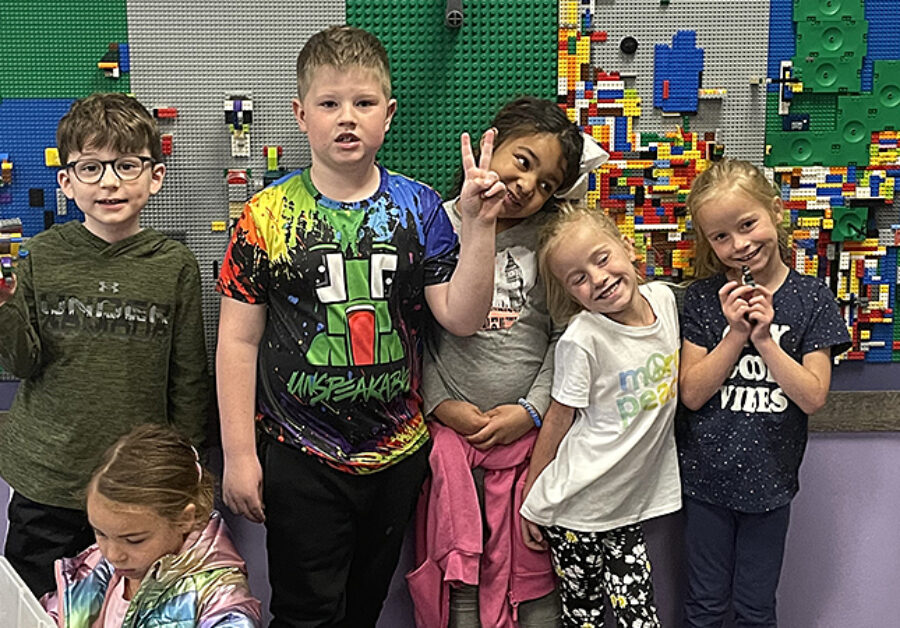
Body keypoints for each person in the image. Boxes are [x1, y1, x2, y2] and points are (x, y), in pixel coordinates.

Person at [215, 25, 503, 627]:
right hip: (300, 453)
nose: (347, 118)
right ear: (300, 115)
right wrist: (241, 456)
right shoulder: (265, 217)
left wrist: (480, 227)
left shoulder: (420, 208)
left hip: (395, 454)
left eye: (364, 103)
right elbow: (238, 341)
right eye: (329, 103)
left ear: (388, 114)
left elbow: (462, 316)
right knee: (305, 612)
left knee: (364, 608)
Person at [0, 92, 209, 597]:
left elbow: (188, 378)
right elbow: (22, 362)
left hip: (137, 489)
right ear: (67, 183)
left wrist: (190, 472)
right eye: (90, 167)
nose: (110, 181)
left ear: (155, 176)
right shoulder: (43, 254)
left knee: (132, 606)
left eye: (126, 165)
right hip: (47, 478)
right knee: (34, 605)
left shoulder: (175, 265)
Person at [411, 96, 602, 628]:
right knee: (463, 574)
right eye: (522, 161)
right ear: (492, 141)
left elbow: (568, 340)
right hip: (452, 442)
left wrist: (533, 411)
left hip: (530, 447)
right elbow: (414, 335)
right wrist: (441, 404)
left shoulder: (551, 243)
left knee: (531, 570)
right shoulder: (439, 224)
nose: (527, 186)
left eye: (545, 184)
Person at [677, 158, 850, 627]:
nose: (739, 245)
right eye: (721, 237)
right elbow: (691, 394)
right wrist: (734, 334)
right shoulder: (702, 299)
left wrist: (764, 340)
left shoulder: (812, 298)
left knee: (755, 609)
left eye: (747, 224)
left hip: (771, 485)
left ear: (775, 211)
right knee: (705, 605)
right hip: (704, 482)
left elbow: (814, 396)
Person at [520, 205, 681, 628]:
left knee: (639, 617)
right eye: (579, 278)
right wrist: (531, 500)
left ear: (626, 247)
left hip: (624, 508)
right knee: (583, 617)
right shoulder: (583, 338)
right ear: (570, 292)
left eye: (602, 258)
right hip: (576, 510)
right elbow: (558, 419)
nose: (598, 279)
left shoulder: (665, 302)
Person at [41, 424, 261, 627]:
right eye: (100, 533)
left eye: (134, 540)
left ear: (184, 519)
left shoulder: (220, 602)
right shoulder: (96, 563)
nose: (112, 554)